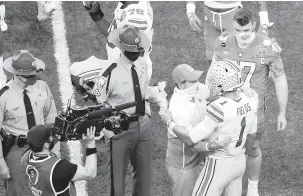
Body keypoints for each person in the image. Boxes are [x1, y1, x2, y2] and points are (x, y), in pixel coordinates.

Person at [208, 8, 288, 196]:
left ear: (255, 27)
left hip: (253, 110)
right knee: (222, 147)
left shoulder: (268, 46)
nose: (243, 36)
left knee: (252, 147)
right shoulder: (223, 42)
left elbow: (280, 78)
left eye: (247, 31)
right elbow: (213, 71)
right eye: (238, 31)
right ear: (233, 28)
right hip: (225, 108)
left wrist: (282, 111)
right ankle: (223, 183)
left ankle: (253, 186)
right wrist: (208, 100)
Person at [161, 60, 258, 196]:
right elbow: (252, 137)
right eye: (192, 80)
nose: (199, 83)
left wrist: (169, 122)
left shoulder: (218, 108)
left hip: (219, 163)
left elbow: (191, 139)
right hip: (239, 162)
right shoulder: (252, 99)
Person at [88, 25, 152, 196]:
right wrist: (107, 131)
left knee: (145, 177)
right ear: (122, 48)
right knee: (117, 181)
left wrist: (147, 115)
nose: (136, 52)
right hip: (119, 129)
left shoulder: (142, 63)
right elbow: (96, 103)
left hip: (143, 125)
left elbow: (144, 92)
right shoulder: (109, 73)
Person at [164, 63, 233, 196]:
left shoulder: (196, 89)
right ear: (181, 84)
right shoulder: (179, 109)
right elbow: (192, 143)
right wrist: (212, 146)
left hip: (200, 158)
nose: (198, 83)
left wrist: (236, 88)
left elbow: (213, 93)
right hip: (184, 165)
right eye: (193, 80)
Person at [0, 50, 59, 196]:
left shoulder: (42, 87)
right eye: (29, 76)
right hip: (16, 148)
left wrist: (56, 146)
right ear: (16, 74)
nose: (34, 78)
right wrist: (1, 163)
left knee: (48, 187)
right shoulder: (4, 96)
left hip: (43, 145)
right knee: (17, 191)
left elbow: (52, 118)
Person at [84, 0, 154, 82]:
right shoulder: (128, 3)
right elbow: (113, 32)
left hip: (130, 70)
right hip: (122, 63)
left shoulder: (137, 18)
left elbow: (133, 52)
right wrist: (96, 14)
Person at [186, 1, 274, 65]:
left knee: (235, 59)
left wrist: (264, 22)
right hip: (209, 19)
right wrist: (190, 13)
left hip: (232, 16)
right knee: (211, 59)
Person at [21, 124, 97, 196]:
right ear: (46, 145)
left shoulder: (25, 157)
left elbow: (52, 152)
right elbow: (90, 173)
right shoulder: (59, 168)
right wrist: (90, 144)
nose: (52, 138)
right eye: (50, 137)